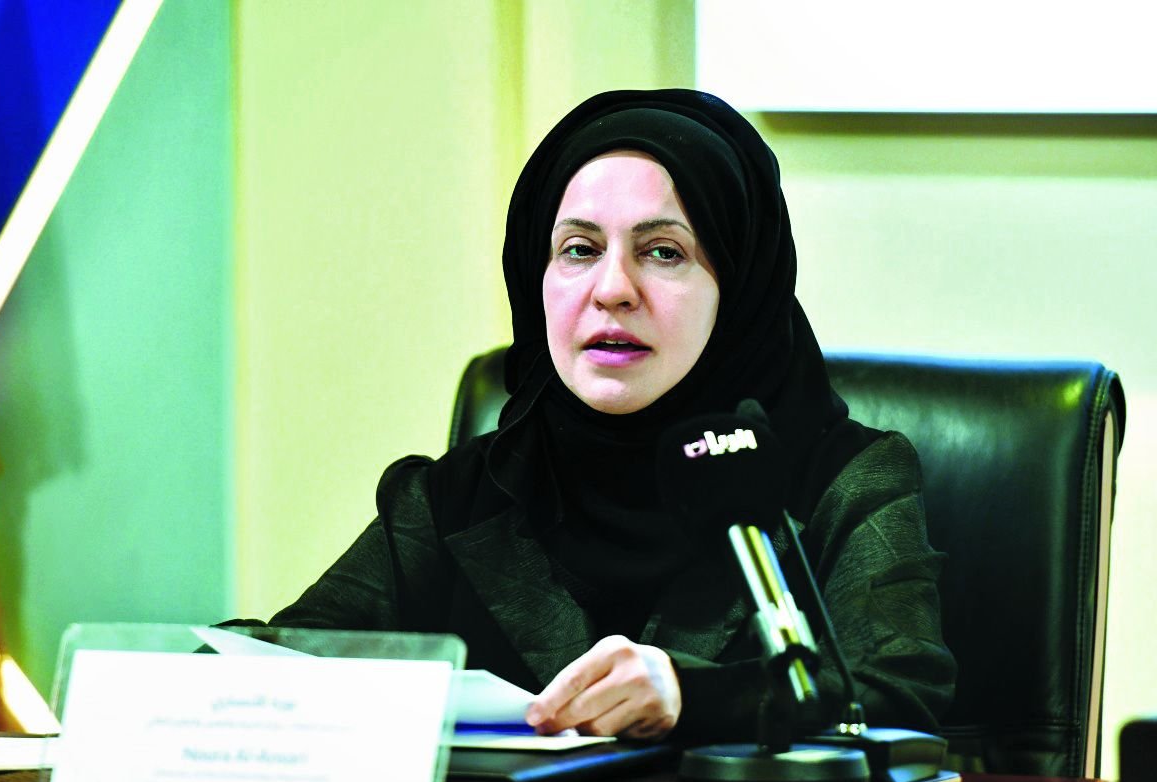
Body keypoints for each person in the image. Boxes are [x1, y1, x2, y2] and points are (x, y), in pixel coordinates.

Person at [249, 89, 956, 744]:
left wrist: (693, 697)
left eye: (663, 252)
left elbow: (899, 694)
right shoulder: (454, 499)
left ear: (739, 286)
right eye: (579, 250)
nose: (613, 288)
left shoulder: (842, 480)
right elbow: (282, 665)